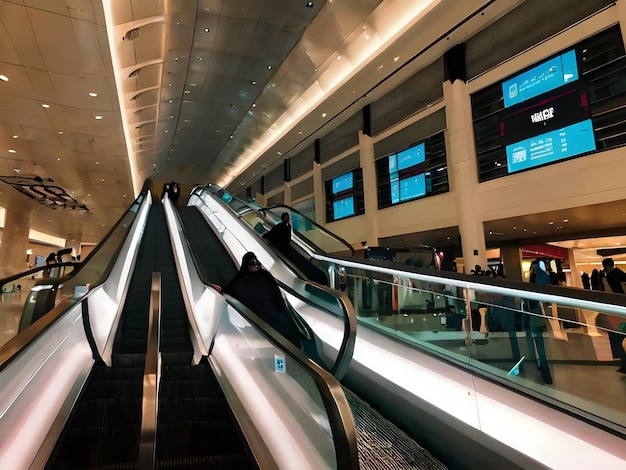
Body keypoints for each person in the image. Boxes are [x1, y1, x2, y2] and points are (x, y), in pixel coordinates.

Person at [222, 252, 300, 346]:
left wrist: (281, 306)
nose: (255, 265)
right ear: (246, 265)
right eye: (252, 263)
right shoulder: (241, 278)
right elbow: (228, 290)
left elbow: (275, 291)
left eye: (256, 263)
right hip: (257, 317)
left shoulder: (265, 275)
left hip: (271, 313)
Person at [524, 260, 553, 384]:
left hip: (537, 312)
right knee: (539, 342)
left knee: (539, 342)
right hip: (537, 311)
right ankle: (543, 367)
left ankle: (544, 368)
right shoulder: (541, 277)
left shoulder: (539, 277)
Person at [601, 257, 626, 373]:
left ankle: (624, 363)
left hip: (616, 313)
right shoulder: (622, 274)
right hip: (622, 311)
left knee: (619, 338)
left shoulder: (610, 278)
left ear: (605, 267)